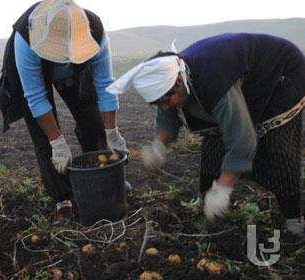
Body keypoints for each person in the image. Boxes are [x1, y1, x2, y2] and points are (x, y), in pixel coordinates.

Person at [106, 33, 305, 237]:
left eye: (166, 100)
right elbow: (167, 116)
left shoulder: (213, 81)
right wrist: (159, 145)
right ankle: (203, 199)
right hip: (238, 77)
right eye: (159, 103)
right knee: (215, 137)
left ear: (180, 80)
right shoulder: (168, 81)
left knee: (275, 143)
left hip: (280, 71)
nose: (164, 106)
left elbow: (242, 142)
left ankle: (293, 218)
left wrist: (223, 188)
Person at [0, 0, 129, 225]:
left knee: (94, 123)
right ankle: (63, 199)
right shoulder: (26, 38)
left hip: (77, 70)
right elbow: (36, 98)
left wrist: (112, 131)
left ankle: (102, 178)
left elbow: (105, 84)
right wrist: (58, 142)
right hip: (34, 74)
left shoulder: (95, 30)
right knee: (45, 139)